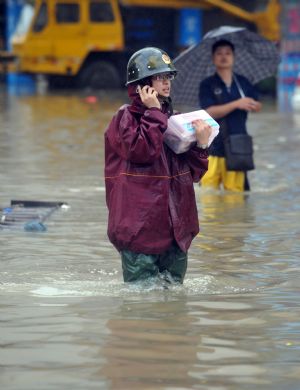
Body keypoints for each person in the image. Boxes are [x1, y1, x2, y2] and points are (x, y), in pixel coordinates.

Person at [104, 47, 212, 285]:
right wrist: (153, 112)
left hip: (176, 232)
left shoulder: (176, 120)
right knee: (141, 305)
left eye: (168, 77)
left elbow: (193, 175)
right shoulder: (124, 119)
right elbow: (142, 151)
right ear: (143, 84)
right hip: (139, 232)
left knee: (174, 305)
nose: (166, 82)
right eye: (160, 77)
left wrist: (201, 147)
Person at [199, 39, 262, 192]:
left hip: (238, 147)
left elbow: (258, 106)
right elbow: (208, 112)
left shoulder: (243, 83)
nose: (224, 56)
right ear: (213, 58)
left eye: (228, 53)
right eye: (219, 53)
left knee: (236, 197)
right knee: (209, 199)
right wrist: (236, 104)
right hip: (213, 147)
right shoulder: (207, 84)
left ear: (234, 57)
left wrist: (253, 105)